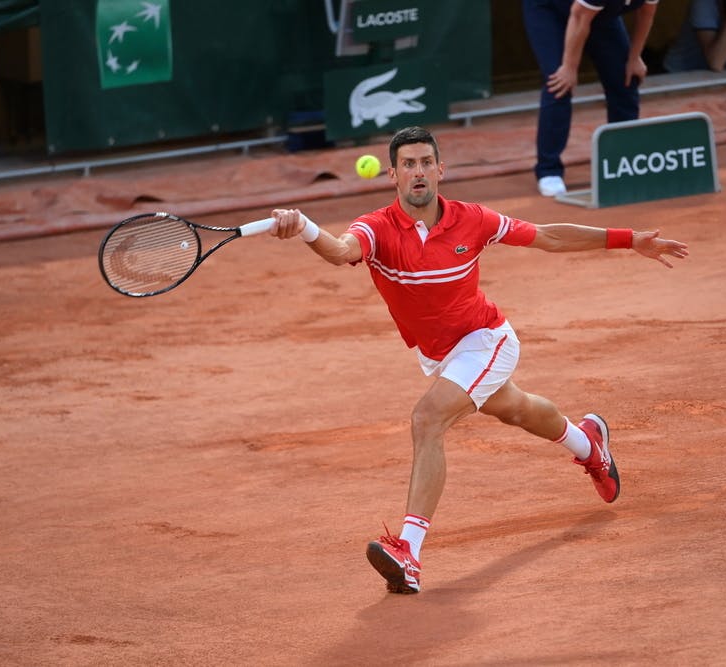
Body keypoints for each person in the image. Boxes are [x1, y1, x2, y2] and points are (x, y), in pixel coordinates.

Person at [267, 126, 688, 594]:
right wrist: (304, 227)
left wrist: (628, 239)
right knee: (517, 409)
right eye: (408, 164)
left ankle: (408, 553)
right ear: (393, 175)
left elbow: (549, 236)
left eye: (426, 162)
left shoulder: (474, 219)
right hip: (441, 354)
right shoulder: (377, 228)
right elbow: (340, 250)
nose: (418, 172)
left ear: (441, 170)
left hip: (486, 340)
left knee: (428, 419)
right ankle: (588, 443)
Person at [523, 0, 660, 198]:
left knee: (626, 78)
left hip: (599, 15)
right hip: (548, 9)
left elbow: (647, 13)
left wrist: (635, 57)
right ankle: (549, 170)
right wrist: (569, 66)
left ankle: (624, 162)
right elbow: (579, 16)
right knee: (559, 84)